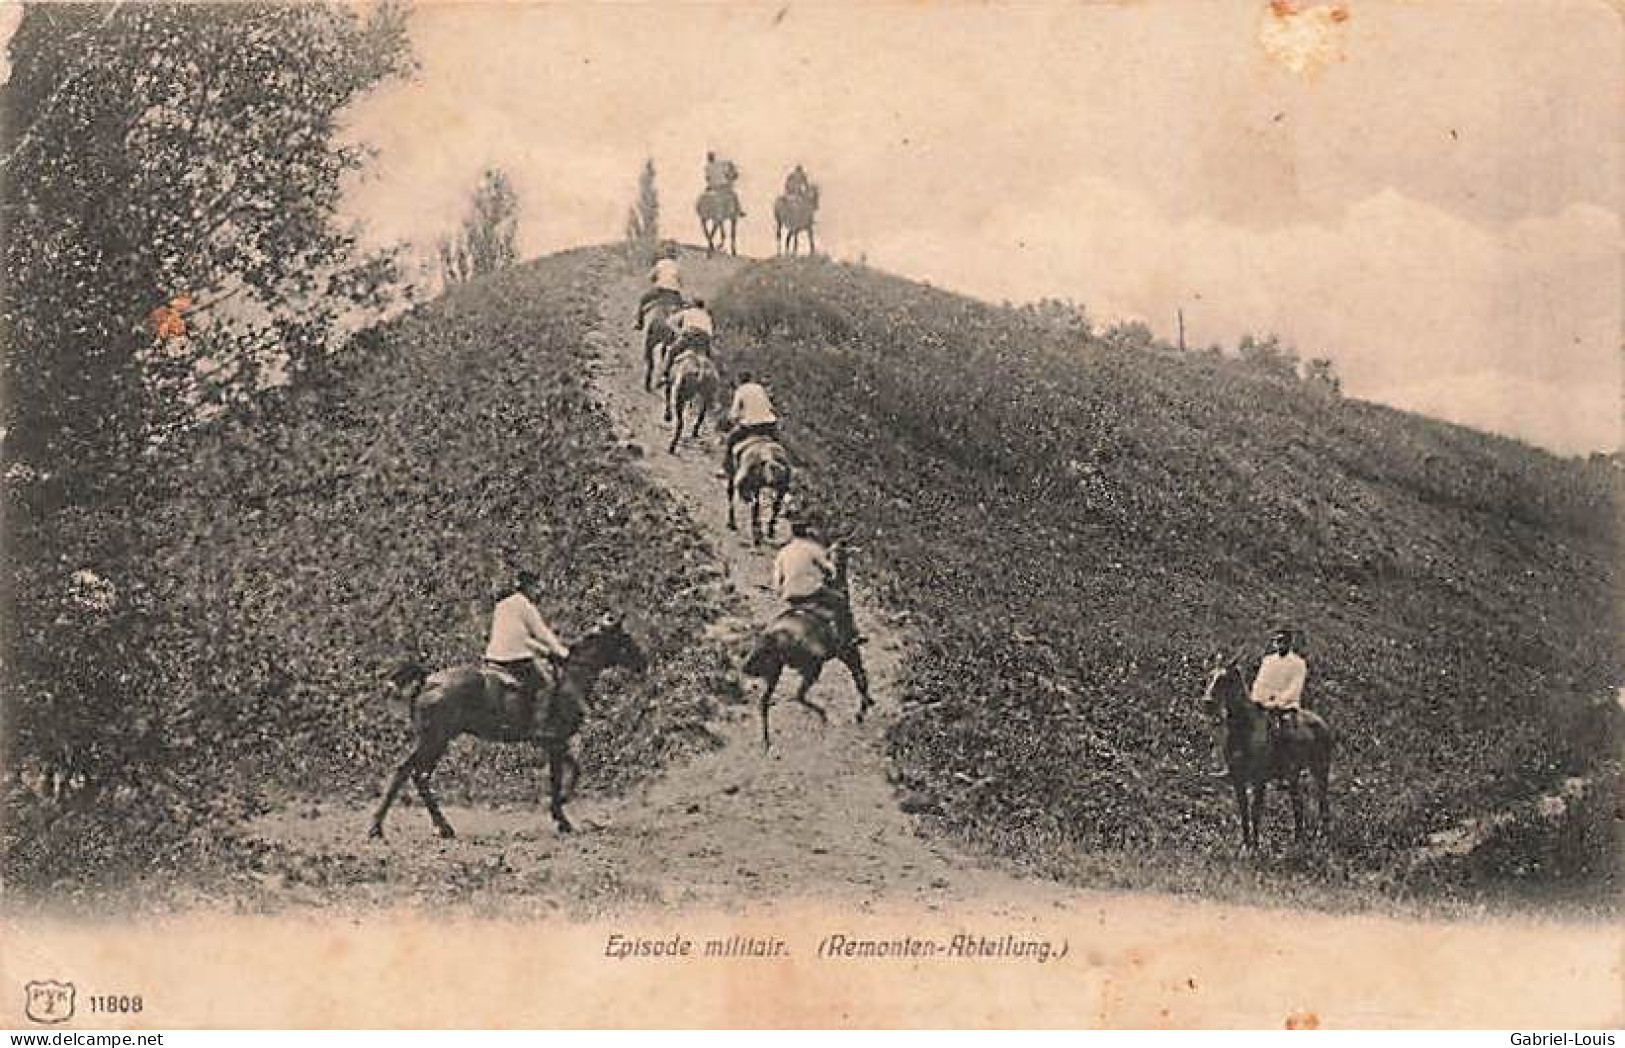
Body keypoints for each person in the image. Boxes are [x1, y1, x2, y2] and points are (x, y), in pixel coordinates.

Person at [484, 569, 571, 733]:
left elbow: (521, 637)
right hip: (514, 657)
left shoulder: (503, 604)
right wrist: (563, 652)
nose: (539, 591)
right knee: (548, 684)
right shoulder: (525, 606)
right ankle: (540, 726)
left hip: (494, 657)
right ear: (529, 587)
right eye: (537, 587)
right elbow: (542, 633)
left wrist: (545, 651)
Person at [772, 509, 862, 652]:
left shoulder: (783, 552)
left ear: (792, 532)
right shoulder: (812, 548)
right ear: (807, 531)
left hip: (790, 596)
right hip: (812, 592)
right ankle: (849, 637)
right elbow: (831, 571)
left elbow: (777, 583)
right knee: (840, 600)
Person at [722, 370, 779, 477]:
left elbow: (734, 413)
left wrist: (732, 421)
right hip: (770, 424)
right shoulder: (759, 388)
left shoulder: (740, 390)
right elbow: (770, 407)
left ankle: (727, 469)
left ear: (739, 381)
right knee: (776, 444)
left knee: (731, 440)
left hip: (751, 426)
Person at [661, 297, 715, 386]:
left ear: (693, 305)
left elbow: (670, 322)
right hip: (703, 340)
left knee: (671, 351)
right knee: (710, 360)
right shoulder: (707, 317)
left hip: (689, 336)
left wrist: (679, 331)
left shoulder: (688, 312)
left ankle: (665, 375)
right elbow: (710, 334)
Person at [633, 244, 683, 329]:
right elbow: (680, 282)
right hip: (674, 293)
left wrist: (655, 279)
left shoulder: (660, 263)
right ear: (674, 255)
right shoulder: (677, 266)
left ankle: (639, 322)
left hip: (660, 291)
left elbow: (650, 277)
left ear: (665, 254)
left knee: (642, 300)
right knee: (682, 307)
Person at [704, 150, 744, 218]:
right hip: (723, 186)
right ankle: (739, 211)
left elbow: (707, 178)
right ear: (714, 157)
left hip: (714, 187)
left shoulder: (706, 167)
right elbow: (727, 169)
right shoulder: (719, 164)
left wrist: (709, 185)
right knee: (734, 196)